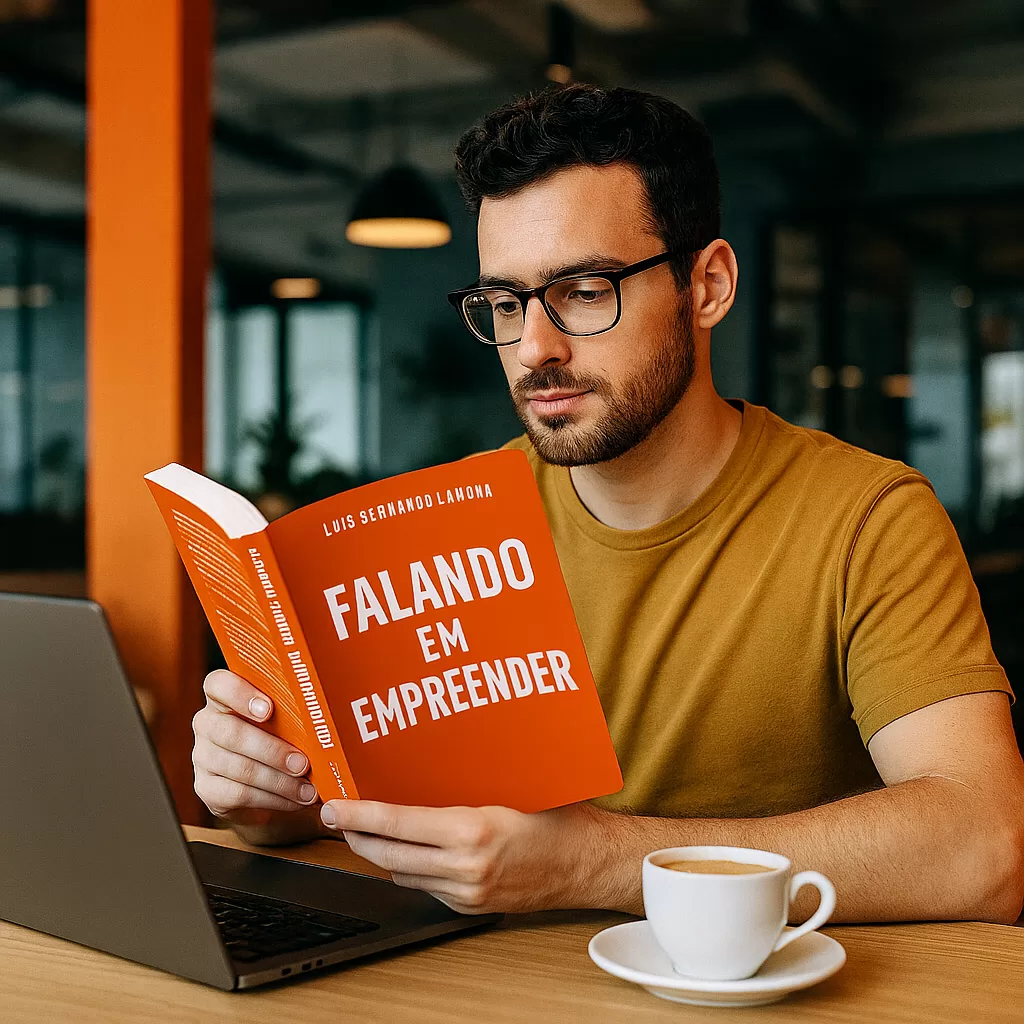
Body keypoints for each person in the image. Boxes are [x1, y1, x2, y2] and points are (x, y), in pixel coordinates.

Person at [192, 84, 1024, 924]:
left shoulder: (868, 517)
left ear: (707, 286)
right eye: (506, 304)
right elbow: (363, 818)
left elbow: (984, 848)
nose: (535, 349)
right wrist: (266, 792)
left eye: (585, 291)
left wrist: (595, 863)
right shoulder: (446, 526)